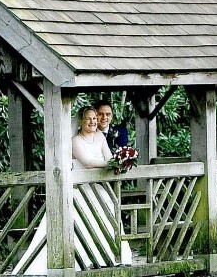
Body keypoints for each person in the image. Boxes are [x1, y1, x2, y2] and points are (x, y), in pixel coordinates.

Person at [11, 106, 132, 275]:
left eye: (94, 119)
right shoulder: (75, 141)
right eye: (89, 119)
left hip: (98, 188)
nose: (92, 122)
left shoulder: (99, 137)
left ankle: (108, 258)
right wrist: (113, 163)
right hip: (79, 190)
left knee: (108, 211)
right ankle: (80, 261)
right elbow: (88, 162)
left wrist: (117, 162)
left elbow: (108, 157)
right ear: (81, 121)